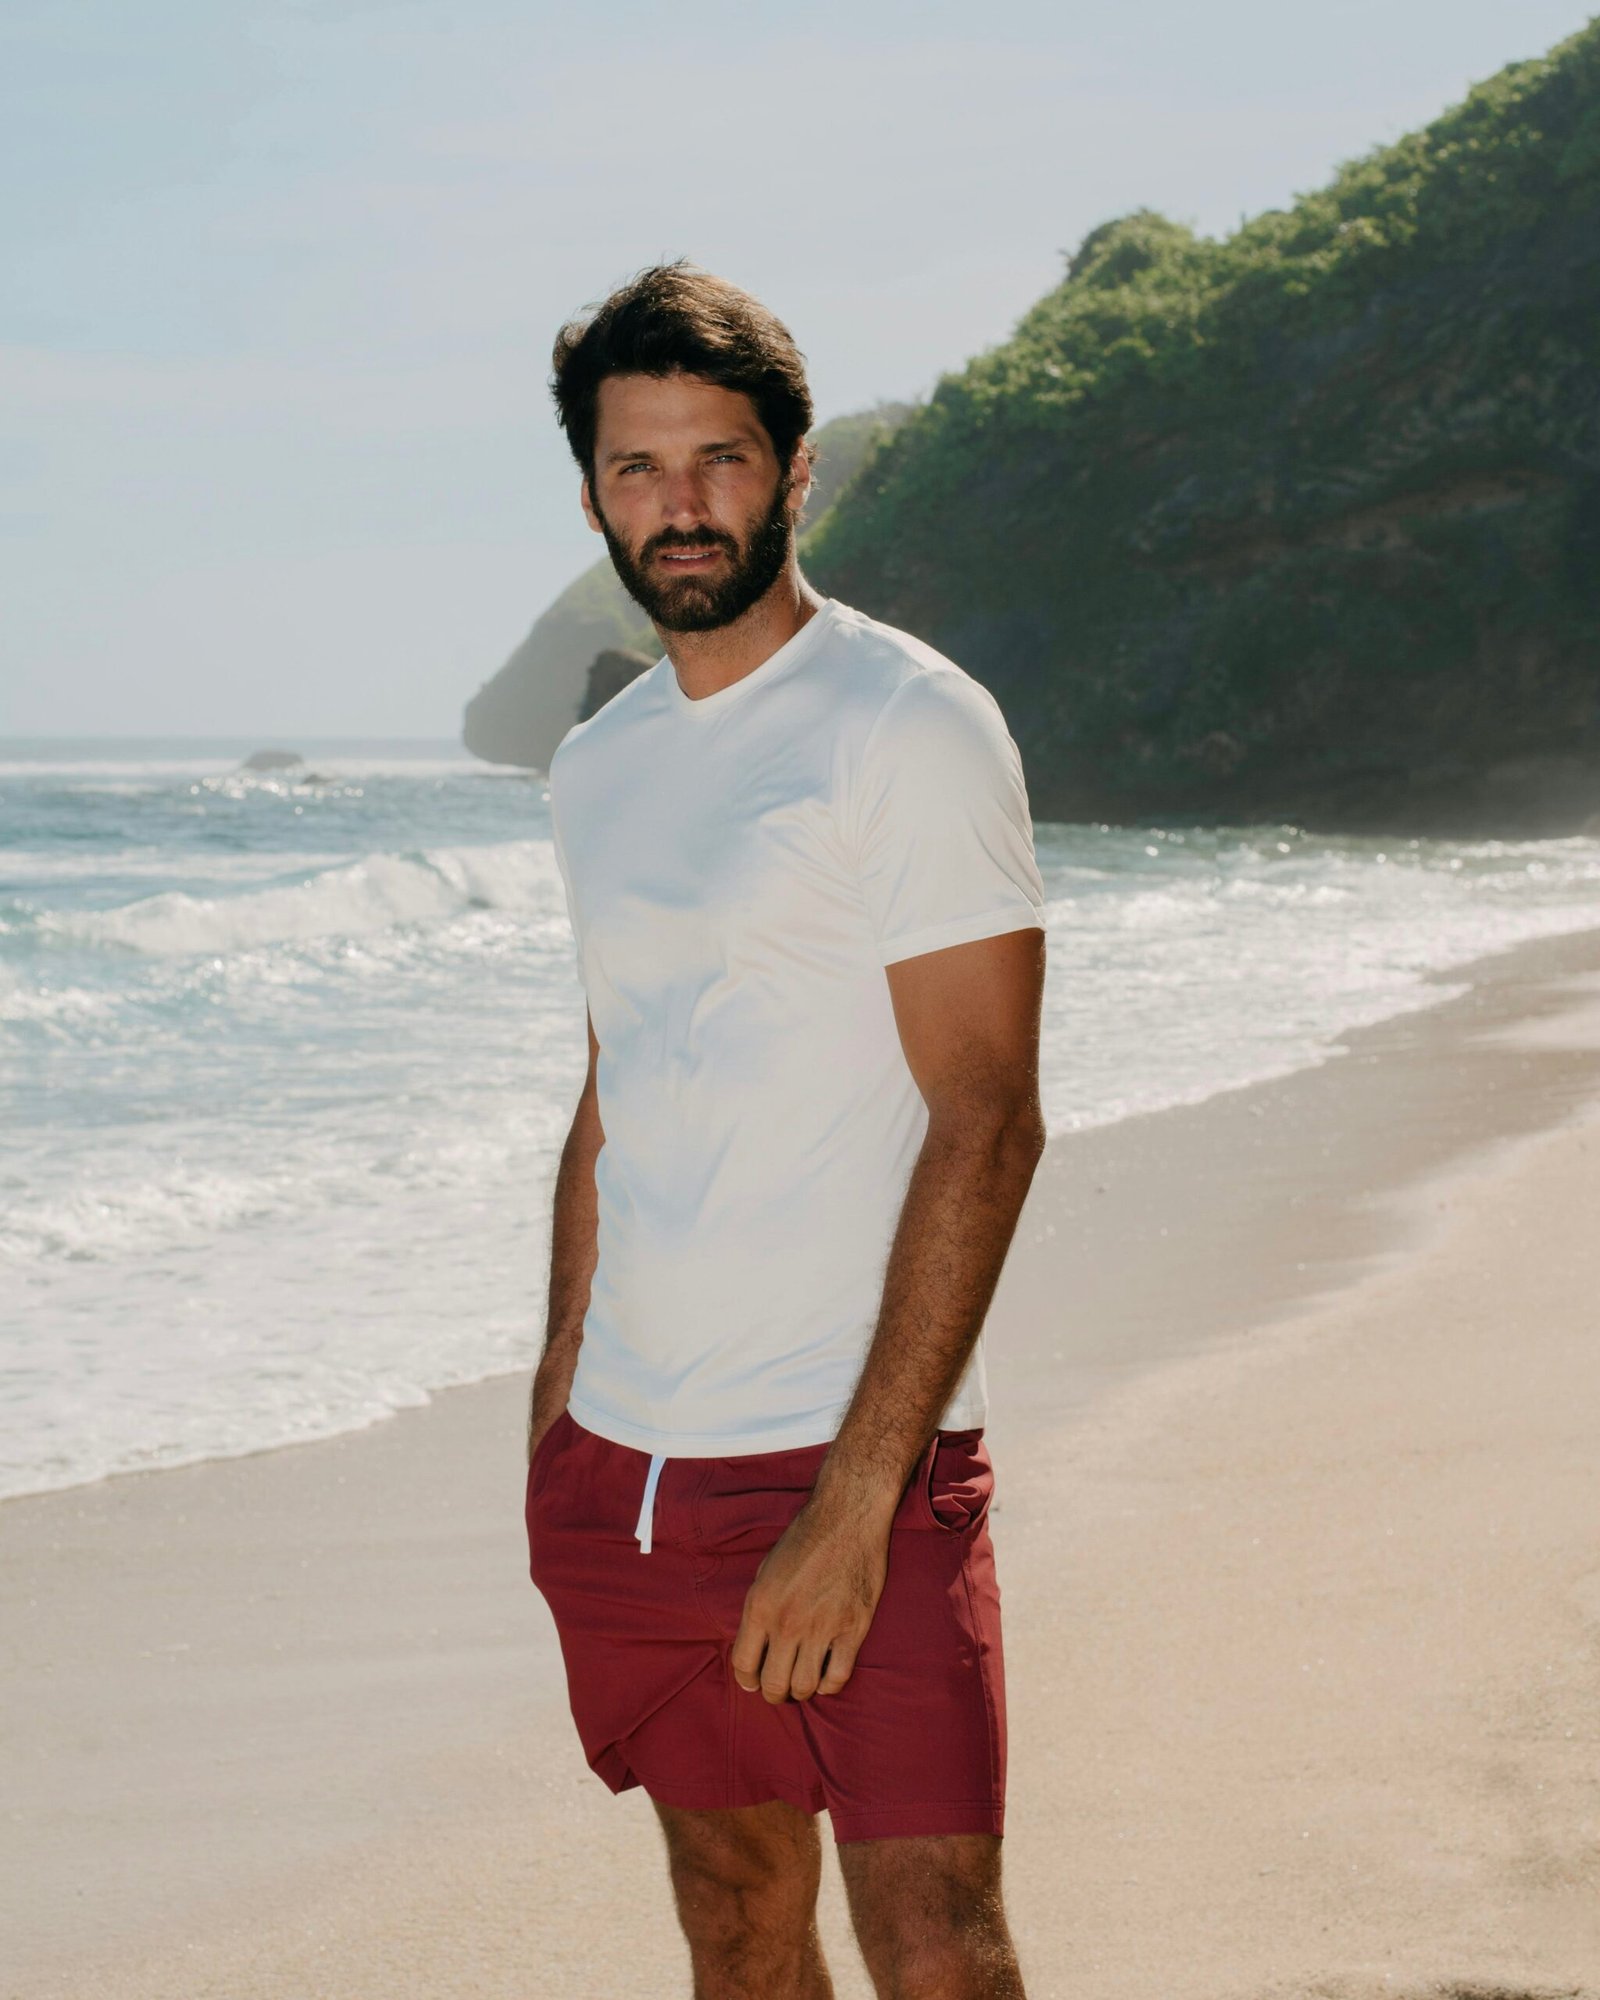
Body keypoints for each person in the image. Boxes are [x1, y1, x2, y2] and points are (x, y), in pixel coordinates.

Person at [525, 258, 1047, 2000]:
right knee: (734, 1923)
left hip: (854, 1473)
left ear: (795, 468)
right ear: (593, 487)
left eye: (720, 460)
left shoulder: (906, 723)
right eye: (636, 468)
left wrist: (857, 1498)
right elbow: (619, 1091)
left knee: (937, 1943)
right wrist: (557, 1419)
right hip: (632, 1474)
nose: (681, 508)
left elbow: (989, 1122)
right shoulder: (597, 767)